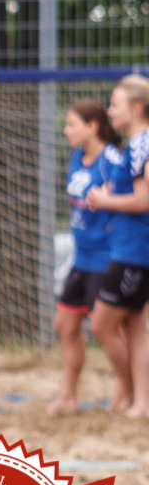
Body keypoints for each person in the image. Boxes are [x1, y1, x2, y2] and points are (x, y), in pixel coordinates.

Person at [49, 99, 124, 412]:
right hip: (81, 257)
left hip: (106, 257)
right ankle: (68, 396)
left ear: (92, 126)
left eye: (71, 124)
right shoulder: (77, 157)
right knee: (65, 326)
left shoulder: (113, 160)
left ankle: (128, 390)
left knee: (107, 330)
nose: (66, 130)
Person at [86, 75, 149, 418]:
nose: (110, 111)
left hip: (134, 252)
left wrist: (105, 199)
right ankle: (138, 401)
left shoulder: (142, 144)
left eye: (116, 104)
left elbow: (145, 198)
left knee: (101, 325)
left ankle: (131, 392)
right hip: (130, 249)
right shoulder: (135, 144)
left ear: (137, 109)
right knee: (135, 328)